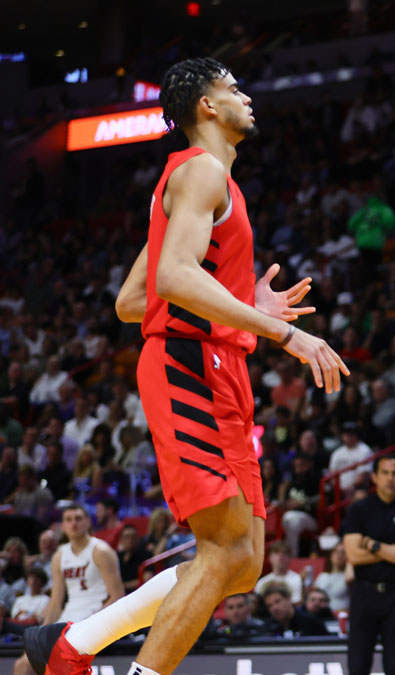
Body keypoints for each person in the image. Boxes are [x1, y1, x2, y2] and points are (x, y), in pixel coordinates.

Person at [21, 57, 349, 675]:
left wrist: (241, 303)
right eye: (233, 88)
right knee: (222, 547)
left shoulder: (203, 181)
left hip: (219, 365)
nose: (246, 97)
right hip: (188, 367)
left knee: (245, 559)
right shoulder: (201, 172)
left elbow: (132, 300)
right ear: (205, 106)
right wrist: (282, 331)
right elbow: (173, 277)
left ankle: (71, 644)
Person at [341, 455, 395, 675]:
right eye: (385, 473)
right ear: (375, 477)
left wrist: (371, 544)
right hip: (364, 593)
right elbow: (354, 555)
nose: (390, 478)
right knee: (358, 666)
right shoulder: (359, 510)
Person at [260, 583, 329, 637]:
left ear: (289, 599)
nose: (274, 608)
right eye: (269, 606)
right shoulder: (268, 628)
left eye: (277, 601)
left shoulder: (312, 623)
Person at [200, 593, 265, 640]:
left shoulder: (260, 626)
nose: (235, 612)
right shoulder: (219, 628)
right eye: (230, 608)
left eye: (240, 606)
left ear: (249, 608)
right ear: (225, 611)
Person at [314, 541, 351, 613]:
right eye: (336, 552)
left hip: (340, 616)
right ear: (331, 555)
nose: (339, 555)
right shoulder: (323, 576)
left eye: (343, 553)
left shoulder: (348, 576)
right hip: (321, 615)